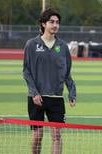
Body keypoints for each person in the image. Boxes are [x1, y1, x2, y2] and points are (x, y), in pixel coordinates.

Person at [23, 8, 76, 154]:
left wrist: (72, 92)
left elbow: (67, 72)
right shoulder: (31, 44)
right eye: (51, 22)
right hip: (36, 98)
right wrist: (34, 93)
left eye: (57, 22)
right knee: (37, 136)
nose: (55, 25)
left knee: (57, 136)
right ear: (43, 24)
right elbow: (26, 71)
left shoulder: (63, 47)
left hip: (56, 98)